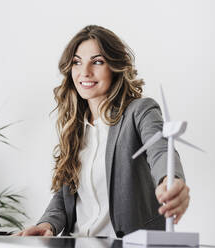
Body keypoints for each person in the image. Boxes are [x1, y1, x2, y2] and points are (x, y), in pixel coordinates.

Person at [16, 25, 190, 238]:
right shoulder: (74, 128)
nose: (85, 72)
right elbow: (65, 197)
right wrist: (47, 224)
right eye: (77, 62)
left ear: (115, 66)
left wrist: (170, 181)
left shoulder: (140, 111)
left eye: (97, 62)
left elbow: (161, 150)